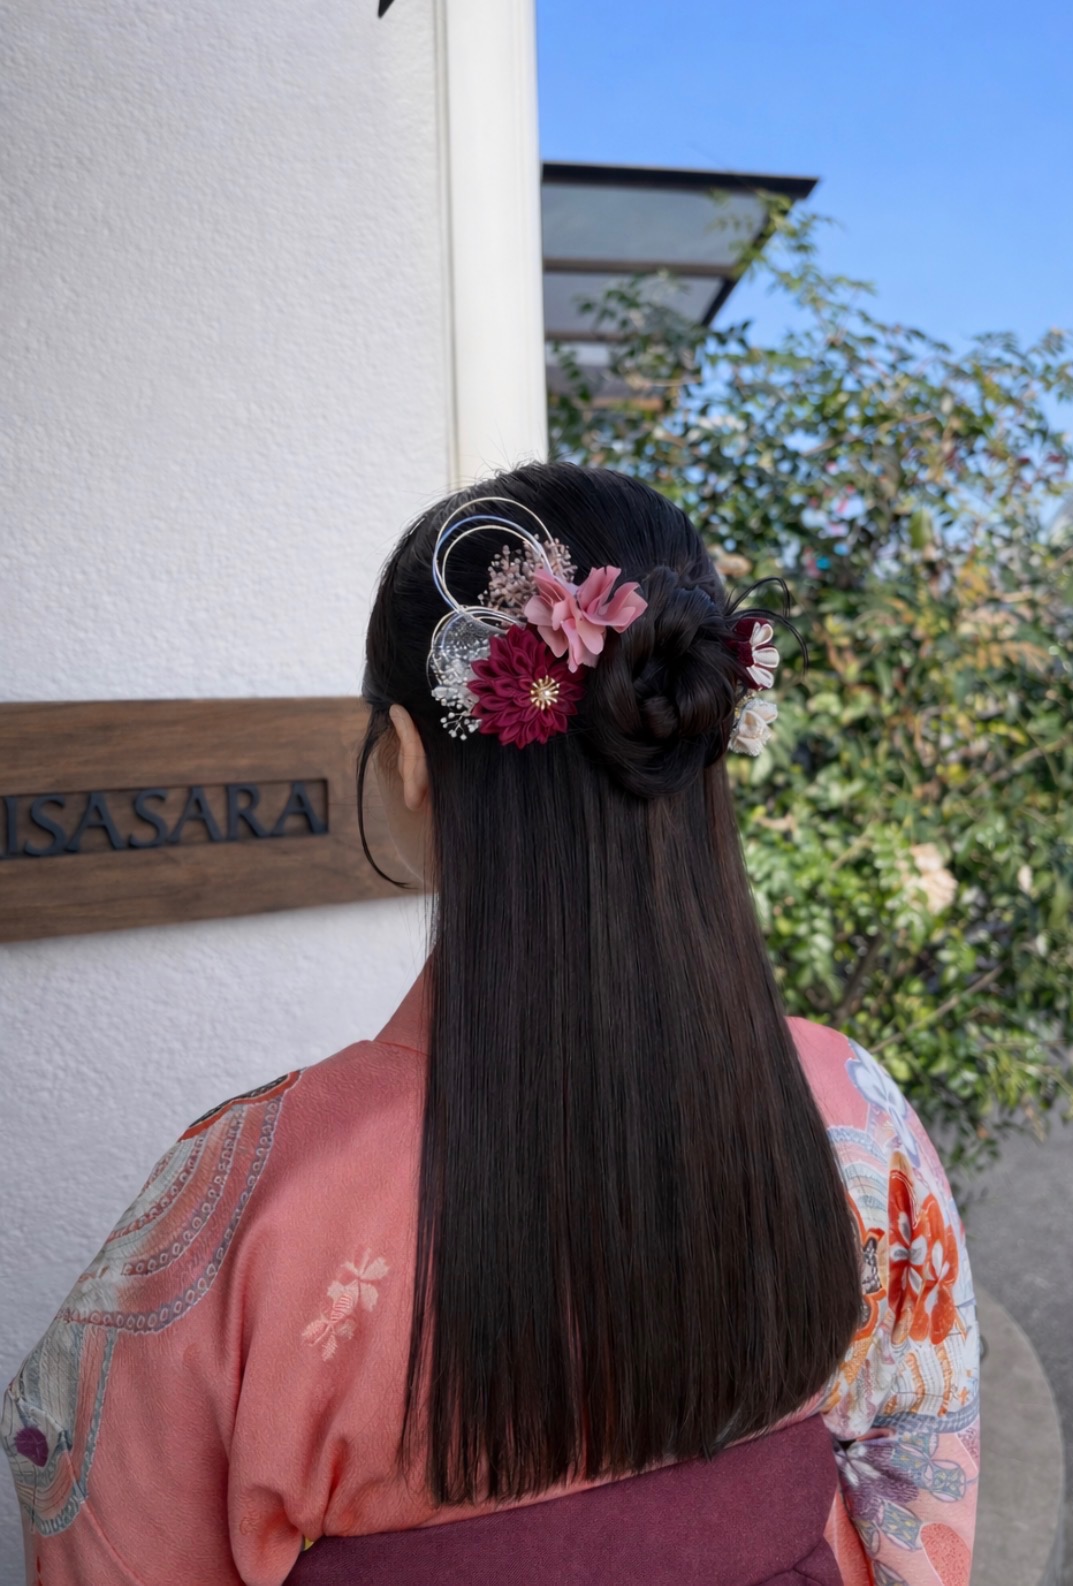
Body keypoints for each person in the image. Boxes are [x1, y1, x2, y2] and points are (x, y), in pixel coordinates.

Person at [3, 463, 979, 1585]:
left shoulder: (249, 1201)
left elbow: (101, 1525)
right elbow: (919, 1478)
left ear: (407, 758)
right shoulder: (850, 1108)